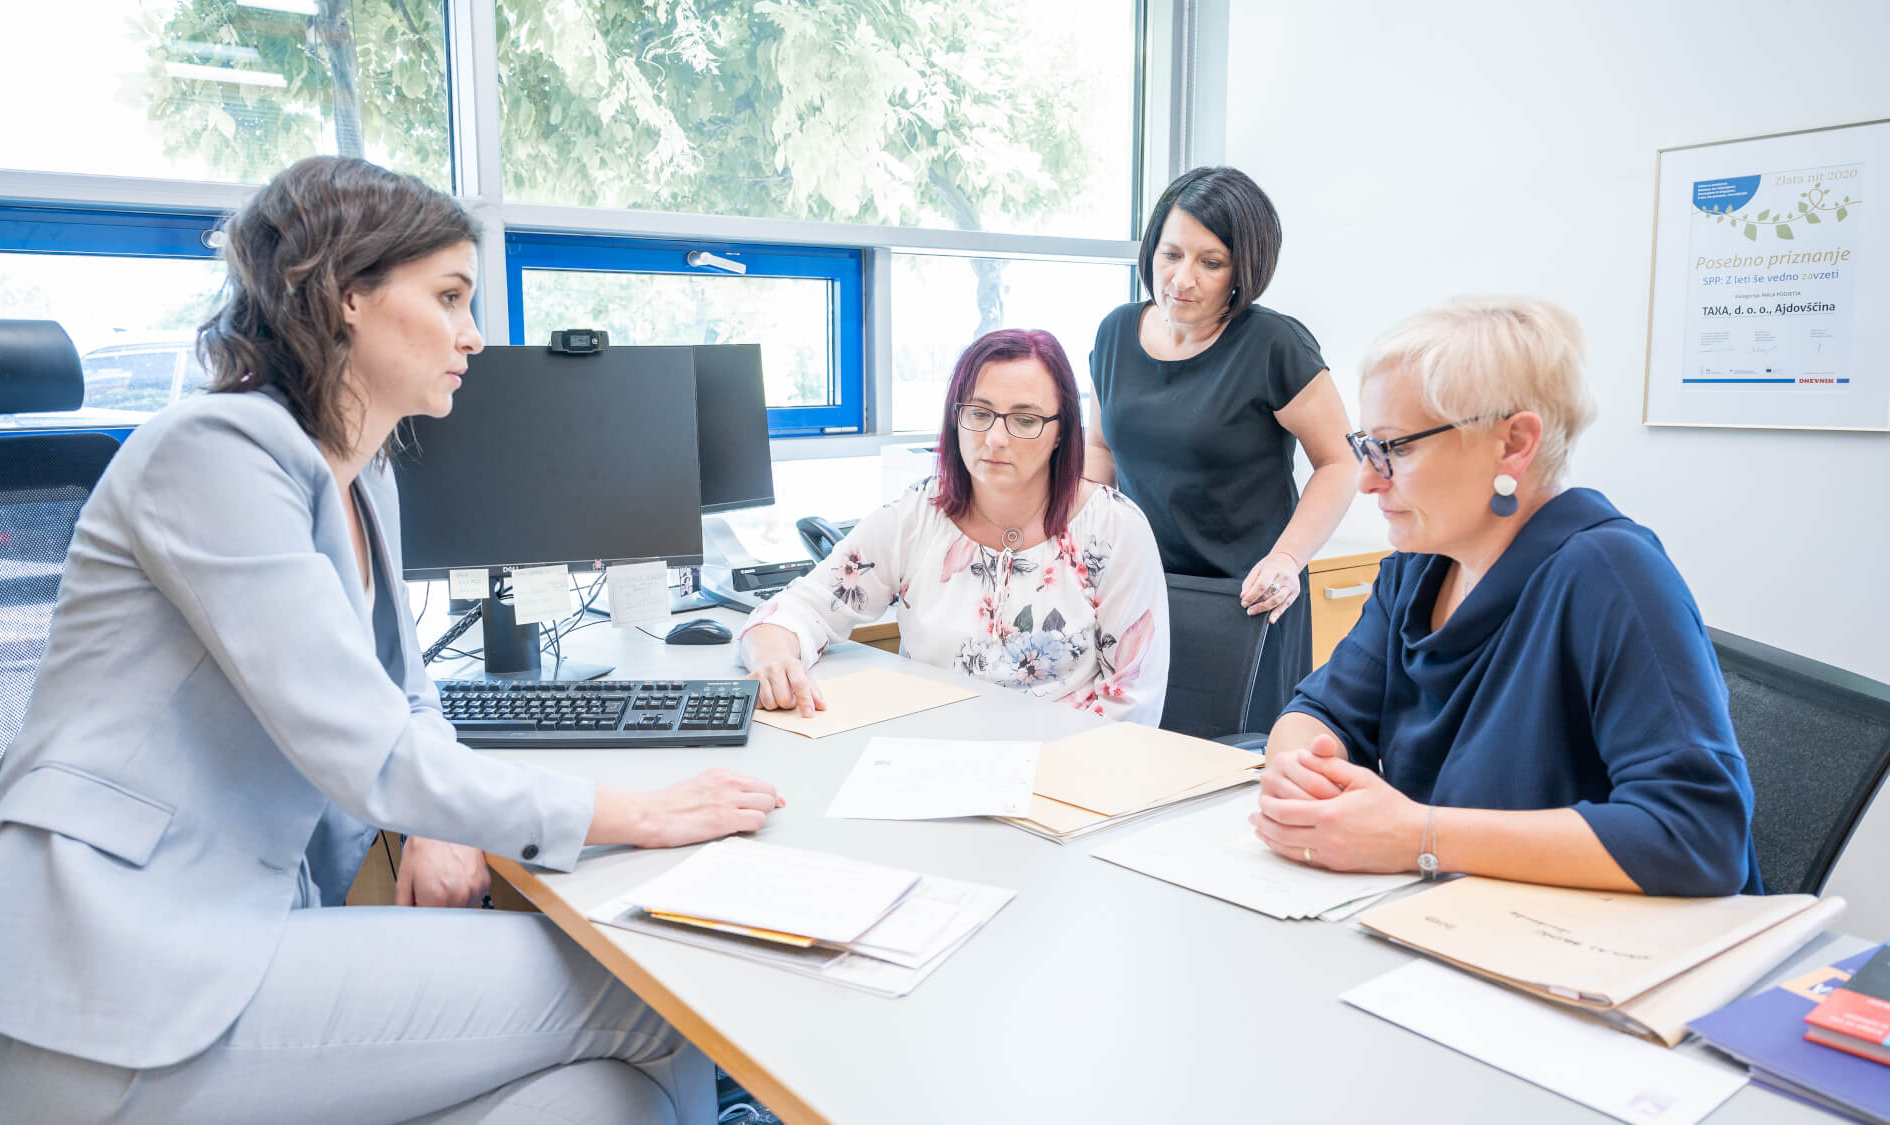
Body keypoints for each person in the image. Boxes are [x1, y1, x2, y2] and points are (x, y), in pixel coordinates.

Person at [0, 156, 784, 1125]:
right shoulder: (214, 454)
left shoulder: (366, 481)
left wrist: (436, 816)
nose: (474, 335)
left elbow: (405, 704)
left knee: (606, 1097)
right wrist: (637, 812)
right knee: (655, 996)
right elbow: (359, 741)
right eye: (450, 297)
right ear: (345, 297)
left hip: (231, 943)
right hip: (107, 990)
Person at [1251, 297, 1759, 896]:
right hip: (1454, 919)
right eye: (1369, 446)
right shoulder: (1418, 567)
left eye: (1400, 448)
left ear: (1514, 443)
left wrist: (1417, 837)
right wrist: (1299, 775)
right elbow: (1324, 713)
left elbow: (1701, 835)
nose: (1367, 478)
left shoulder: (1613, 575)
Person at [740, 329, 1171, 725]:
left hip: (1067, 777)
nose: (995, 438)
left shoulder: (1115, 531)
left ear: (1060, 432)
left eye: (1024, 420)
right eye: (980, 413)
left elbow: (1130, 706)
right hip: (927, 762)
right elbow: (801, 610)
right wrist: (773, 657)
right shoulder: (917, 517)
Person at [1084, 166, 1355, 729]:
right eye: (1171, 254)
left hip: (1248, 599)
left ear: (1242, 269)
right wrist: (1078, 553)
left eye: (1210, 262)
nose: (1182, 279)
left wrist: (1287, 559)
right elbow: (1100, 452)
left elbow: (1339, 461)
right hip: (1140, 592)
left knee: (1231, 766)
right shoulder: (1115, 335)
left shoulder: (1272, 345)